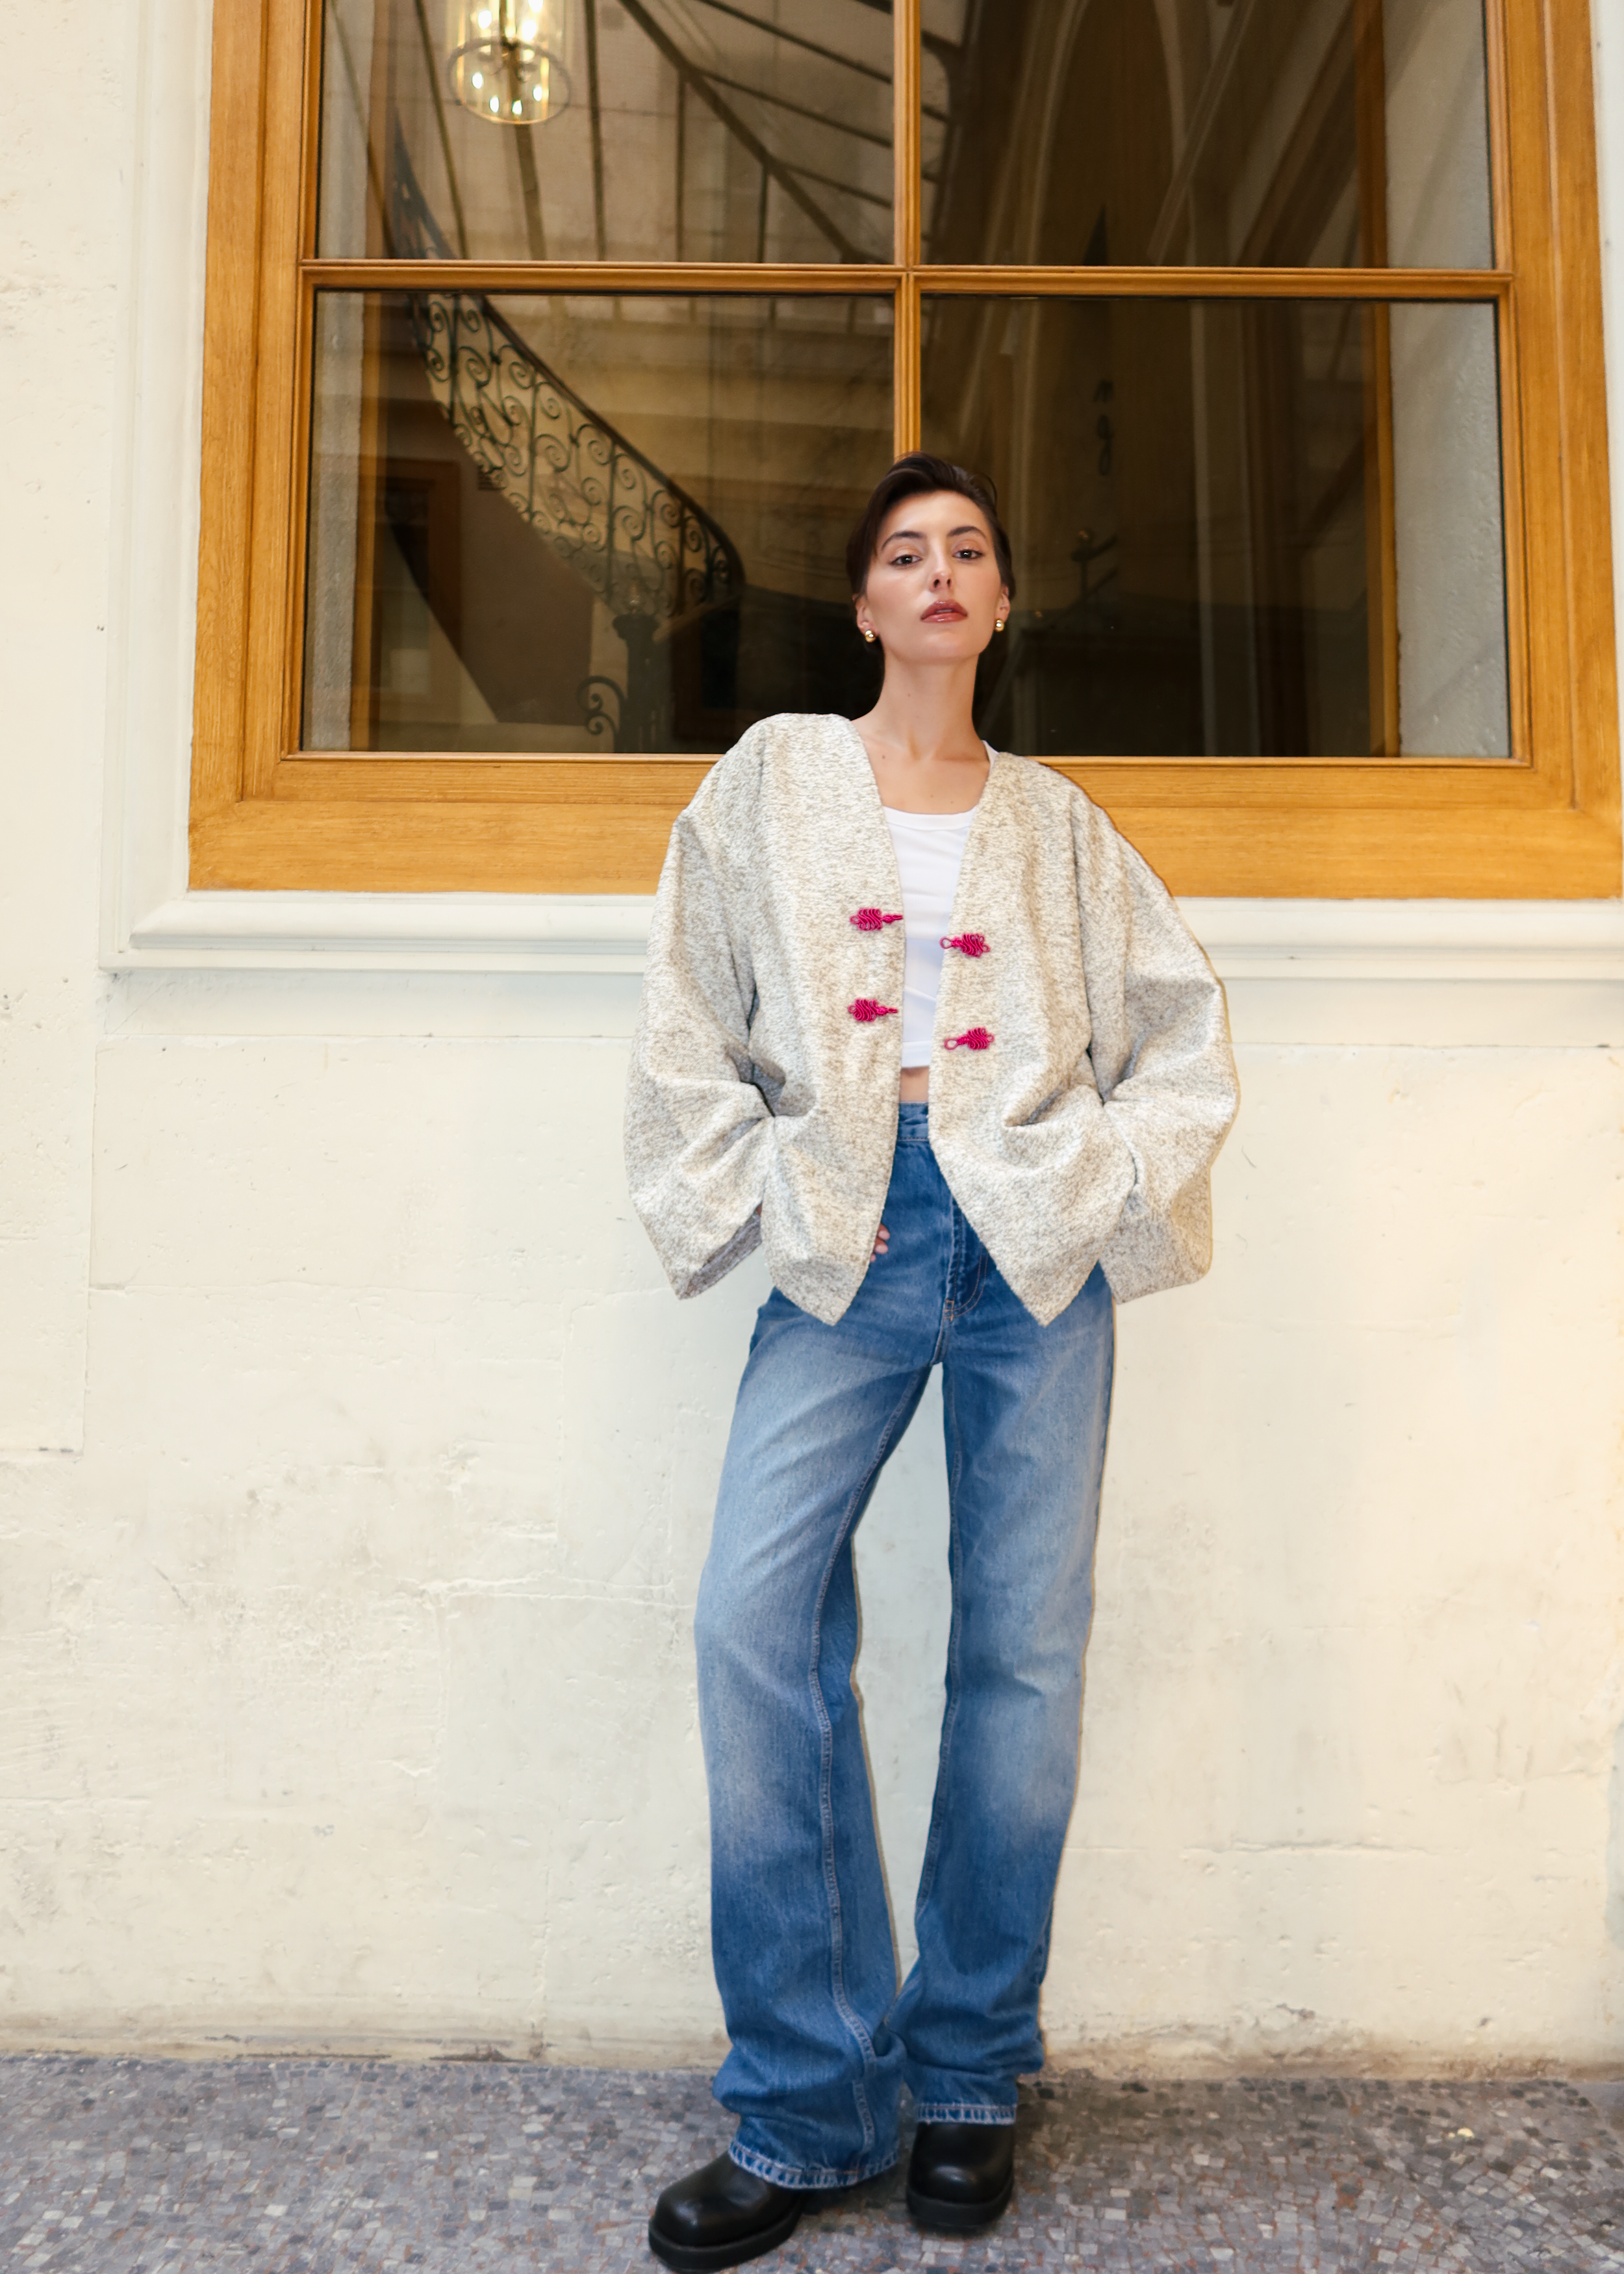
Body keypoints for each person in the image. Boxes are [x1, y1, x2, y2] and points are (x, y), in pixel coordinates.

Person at [625, 453, 1239, 2273]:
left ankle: (967, 2071)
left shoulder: (1058, 824)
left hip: (1030, 1249)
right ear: (866, 601)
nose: (942, 571)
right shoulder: (770, 779)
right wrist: (770, 1188)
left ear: (998, 596)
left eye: (970, 546)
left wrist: (1103, 1176)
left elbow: (1175, 1036)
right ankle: (811, 2104)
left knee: (1021, 1657)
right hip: (851, 1236)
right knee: (751, 1619)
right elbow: (684, 1010)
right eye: (908, 551)